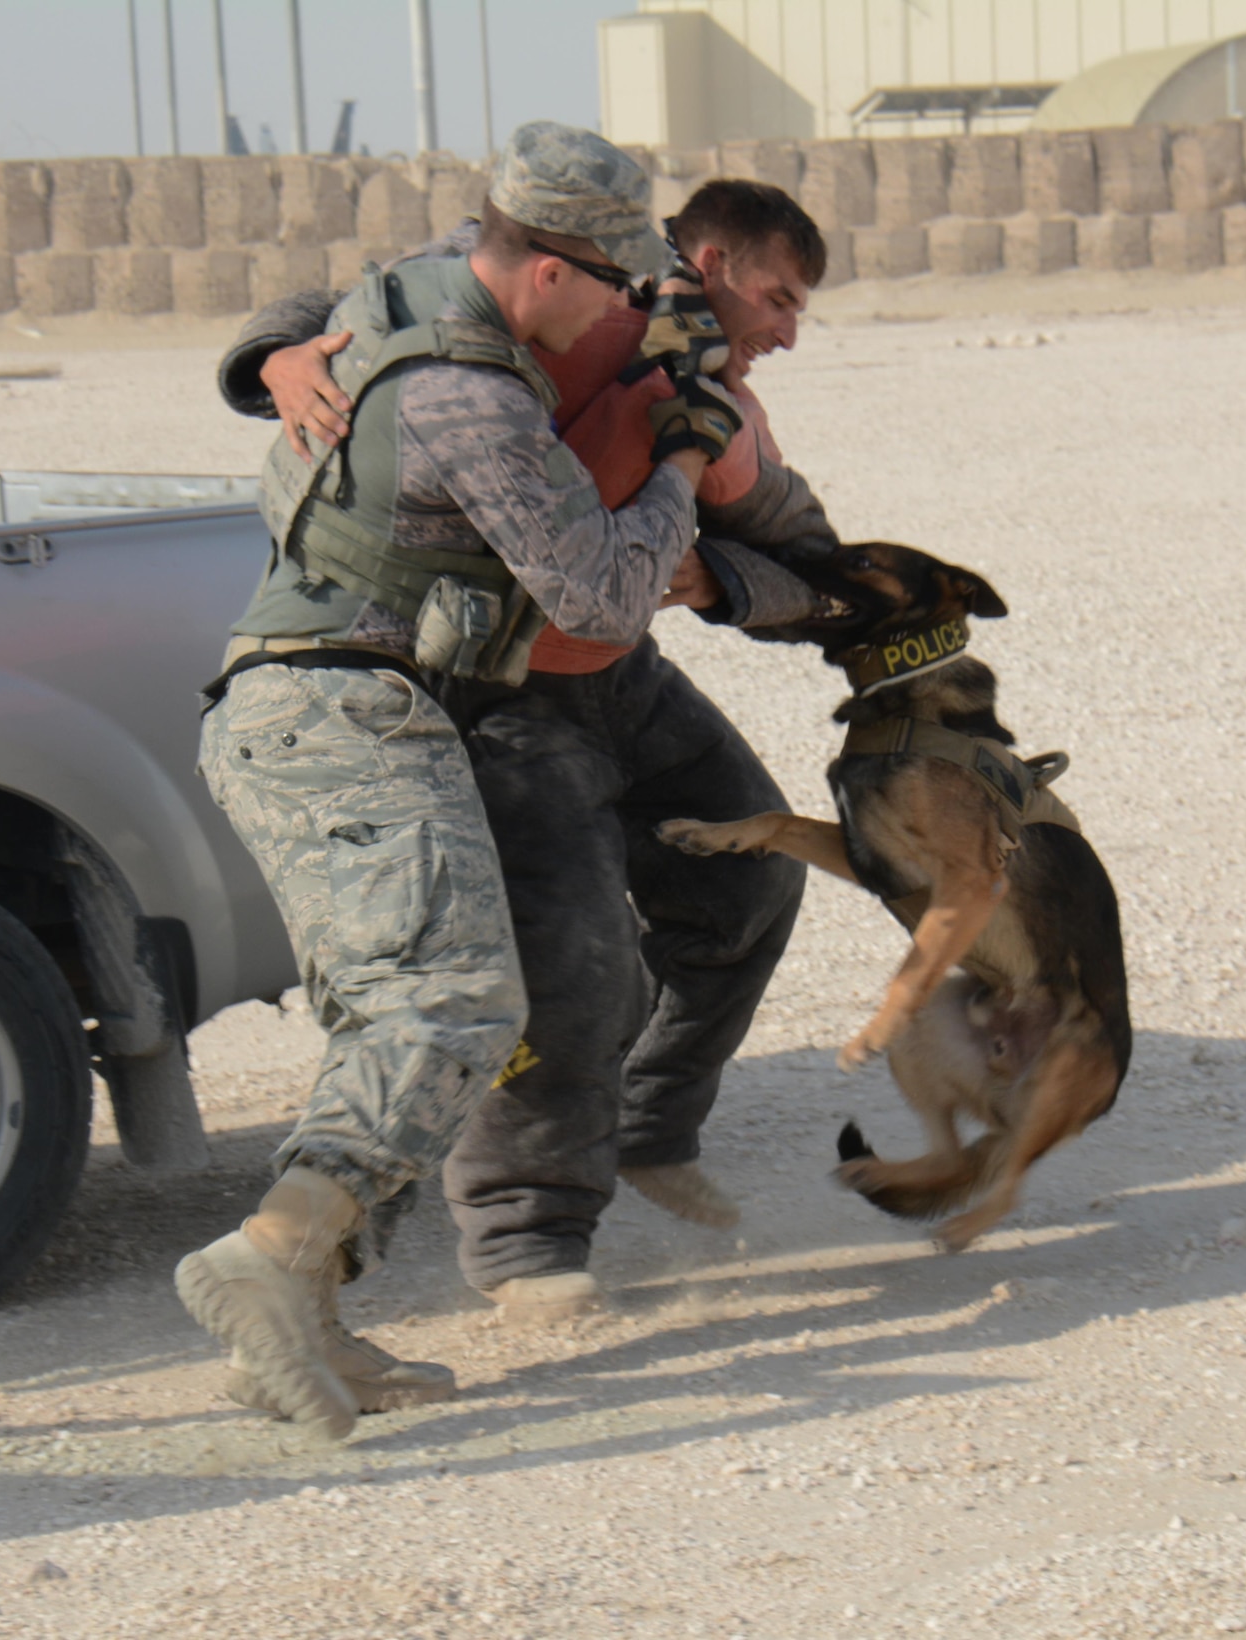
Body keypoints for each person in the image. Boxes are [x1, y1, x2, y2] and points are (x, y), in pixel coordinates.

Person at [177, 122, 746, 1440]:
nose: (626, 309)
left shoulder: (422, 292)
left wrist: (270, 352)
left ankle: (303, 1320)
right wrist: (678, 452)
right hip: (335, 717)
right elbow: (603, 589)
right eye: (613, 284)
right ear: (546, 271)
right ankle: (265, 1258)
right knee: (456, 1007)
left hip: (337, 711)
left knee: (408, 1015)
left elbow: (310, 318)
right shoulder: (473, 396)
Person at [220, 180, 844, 1325]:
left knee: (749, 875)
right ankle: (526, 1246)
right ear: (704, 261)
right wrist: (275, 357)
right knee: (571, 962)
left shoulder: (722, 413)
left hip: (623, 681)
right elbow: (369, 302)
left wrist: (723, 581)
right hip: (492, 695)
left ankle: (652, 1123)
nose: (788, 333)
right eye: (777, 298)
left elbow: (816, 564)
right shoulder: (543, 298)